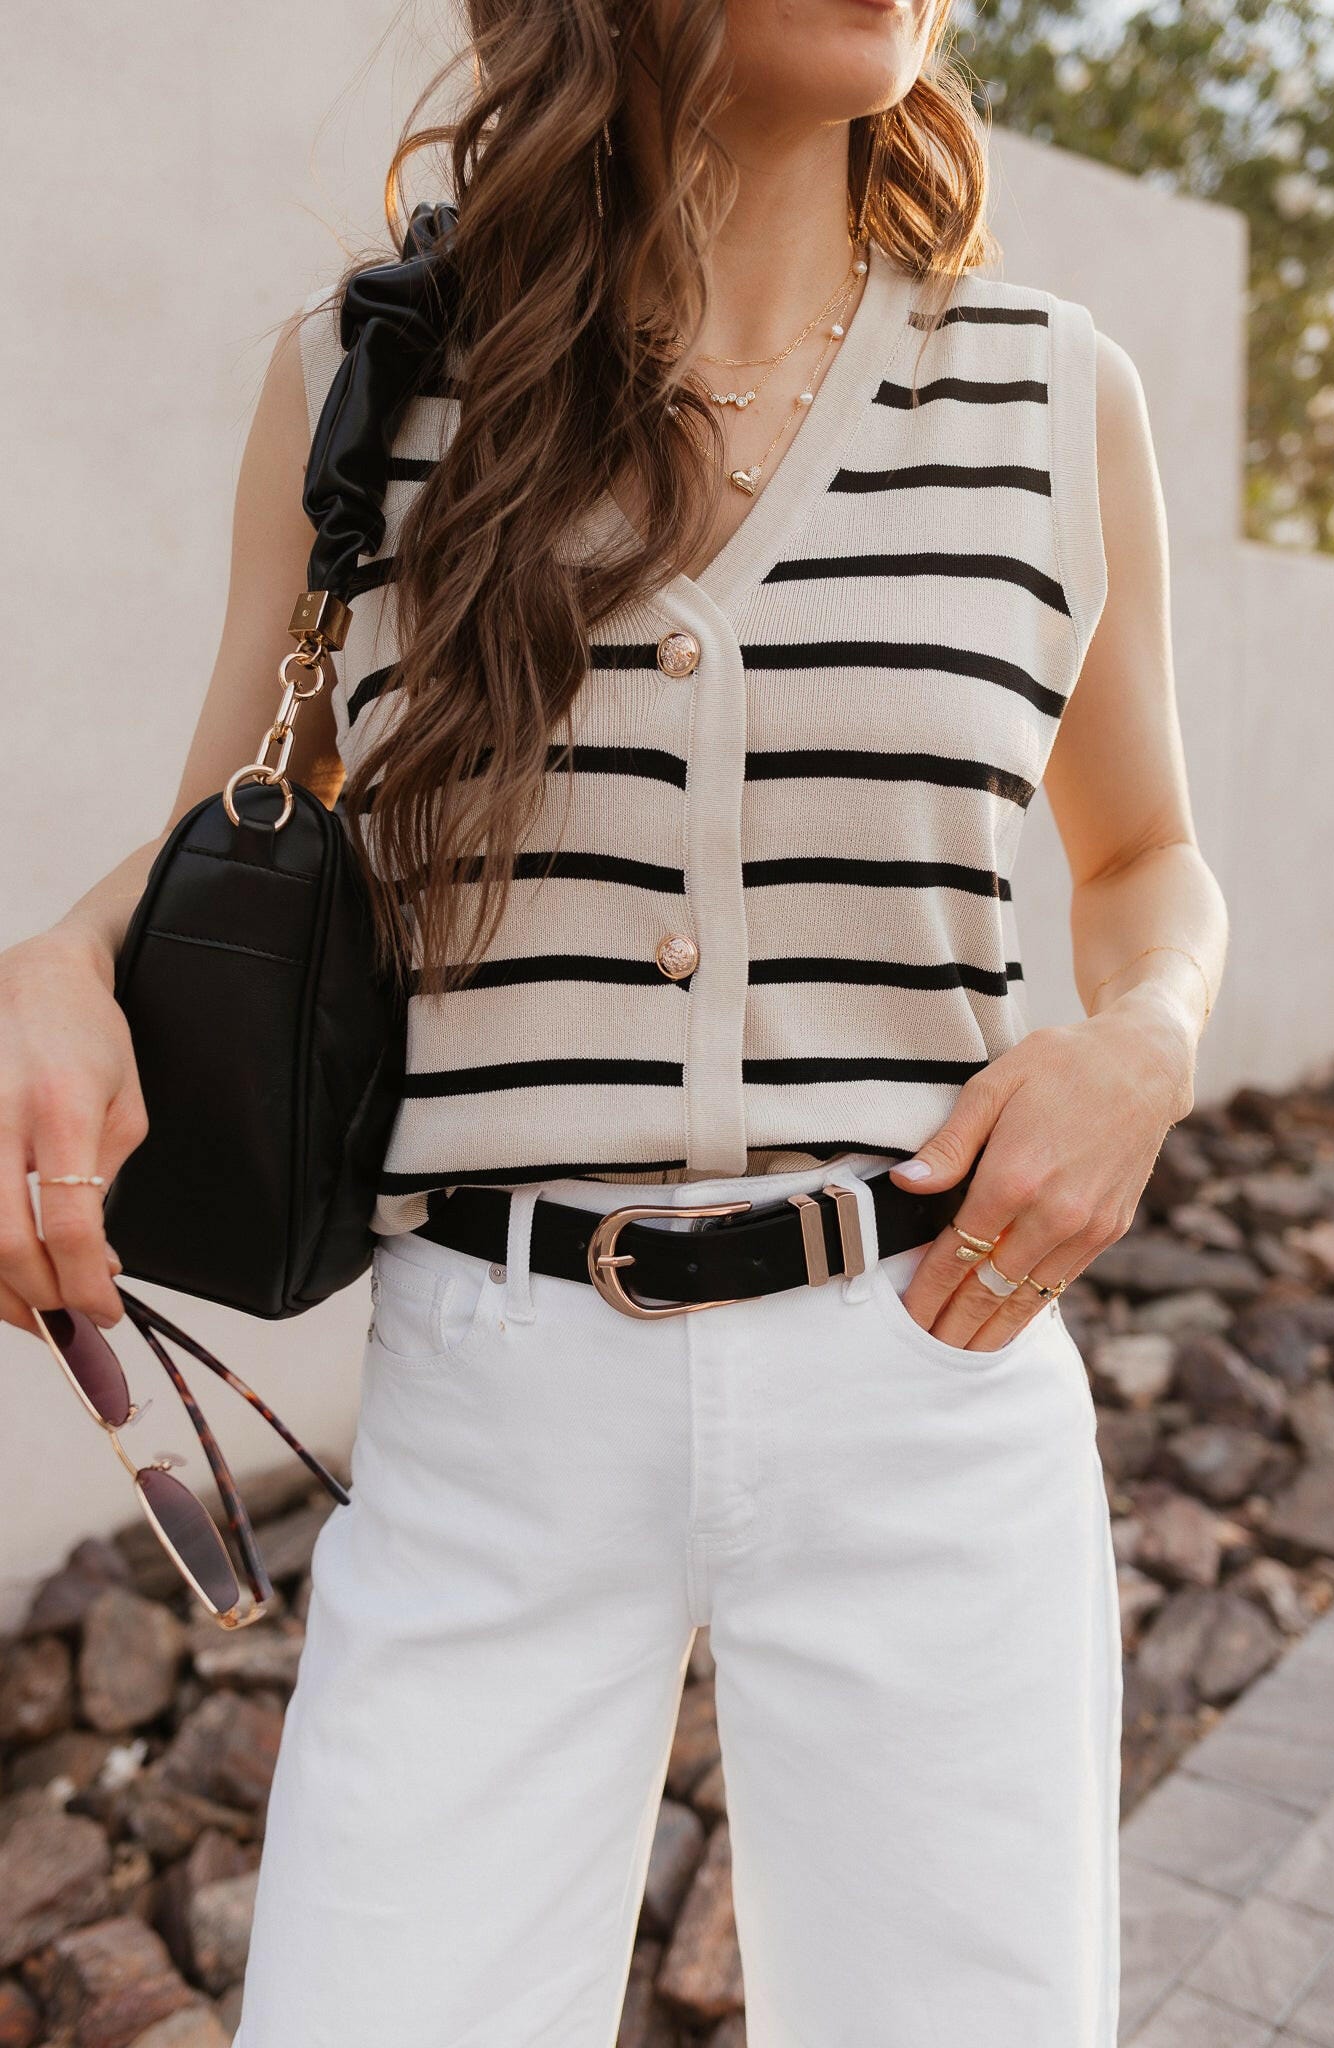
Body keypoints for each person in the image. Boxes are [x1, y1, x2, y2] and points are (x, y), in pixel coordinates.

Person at [1, 1, 1228, 2042]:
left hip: (930, 1366)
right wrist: (55, 957)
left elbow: (1145, 853)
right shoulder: (366, 381)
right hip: (488, 1400)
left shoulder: (1048, 392)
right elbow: (238, 838)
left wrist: (1149, 1037)